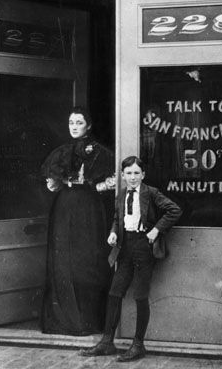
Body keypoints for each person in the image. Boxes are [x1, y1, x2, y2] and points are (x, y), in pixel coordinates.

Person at [81, 155, 182, 362]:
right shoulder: (121, 195)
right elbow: (118, 218)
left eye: (137, 173)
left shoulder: (150, 193)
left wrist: (156, 230)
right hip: (125, 247)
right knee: (115, 292)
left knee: (140, 295)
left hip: (144, 247)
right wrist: (113, 232)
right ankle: (107, 342)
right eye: (129, 173)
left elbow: (174, 210)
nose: (133, 177)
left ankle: (138, 345)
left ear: (143, 175)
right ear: (122, 175)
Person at [41, 106, 115, 335]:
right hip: (65, 207)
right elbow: (53, 184)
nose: (74, 127)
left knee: (87, 260)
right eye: (71, 122)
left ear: (88, 125)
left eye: (79, 122)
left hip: (89, 208)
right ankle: (66, 320)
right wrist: (59, 182)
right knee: (64, 258)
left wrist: (98, 185)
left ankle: (89, 320)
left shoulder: (101, 152)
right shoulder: (62, 152)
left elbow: (111, 181)